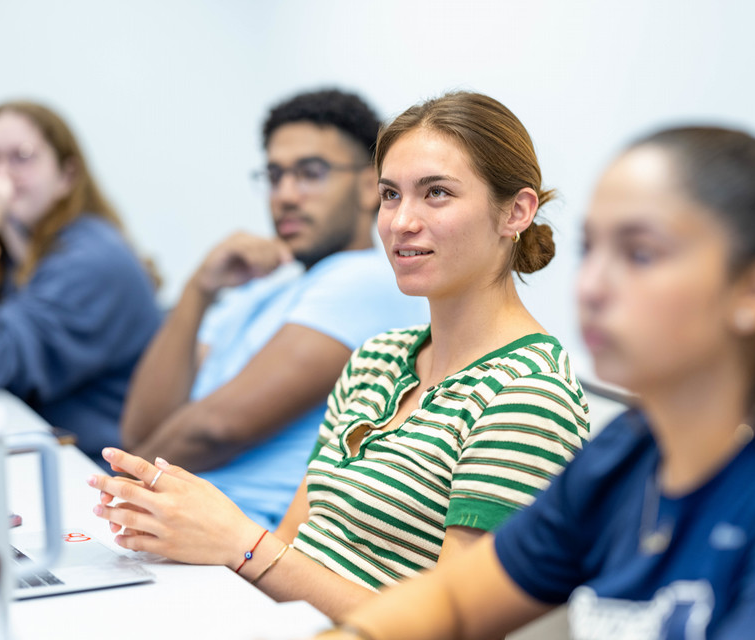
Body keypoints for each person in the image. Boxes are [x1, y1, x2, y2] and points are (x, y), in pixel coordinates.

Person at [317, 126, 755, 640]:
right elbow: (452, 603)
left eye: (640, 254)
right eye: (592, 249)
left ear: (754, 291)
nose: (591, 287)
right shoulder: (629, 453)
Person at [88, 91, 590, 619]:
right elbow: (295, 541)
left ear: (516, 211)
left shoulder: (529, 394)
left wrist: (239, 543)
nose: (401, 222)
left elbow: (449, 628)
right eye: (391, 195)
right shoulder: (378, 359)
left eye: (436, 193)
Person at [118, 89, 428, 529]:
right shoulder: (264, 290)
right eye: (275, 175)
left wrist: (123, 482)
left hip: (244, 543)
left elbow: (218, 428)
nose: (284, 195)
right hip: (177, 522)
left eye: (309, 173)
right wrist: (198, 289)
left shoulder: (364, 280)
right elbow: (139, 428)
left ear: (367, 186)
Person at [0, 101, 161, 464]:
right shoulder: (19, 257)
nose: (0, 176)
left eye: (22, 157)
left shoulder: (90, 260)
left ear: (67, 175)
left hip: (97, 472)